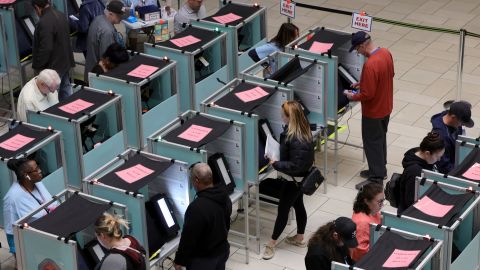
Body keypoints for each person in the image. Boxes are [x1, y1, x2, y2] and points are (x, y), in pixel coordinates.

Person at [262, 100, 314, 260]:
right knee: (298, 204)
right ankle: (299, 238)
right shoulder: (301, 129)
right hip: (299, 178)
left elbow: (295, 165)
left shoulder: (297, 137)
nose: (281, 117)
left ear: (289, 117)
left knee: (283, 211)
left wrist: (276, 163)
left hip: (294, 180)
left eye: (282, 115)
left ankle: (271, 244)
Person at [343, 31, 394, 189]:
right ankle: (380, 169)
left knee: (372, 143)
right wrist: (363, 82)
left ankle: (376, 178)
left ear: (362, 46)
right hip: (386, 106)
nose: (358, 53)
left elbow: (368, 94)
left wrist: (352, 96)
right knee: (380, 139)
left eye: (357, 50)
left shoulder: (370, 64)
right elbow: (388, 75)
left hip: (373, 111)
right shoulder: (386, 52)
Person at [174, 163, 232, 270]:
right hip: (222, 251)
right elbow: (227, 224)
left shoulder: (196, 208)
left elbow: (188, 238)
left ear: (196, 180)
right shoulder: (224, 196)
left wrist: (179, 260)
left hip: (204, 260)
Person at [3, 158, 56, 254]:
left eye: (38, 167)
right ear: (26, 175)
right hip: (36, 243)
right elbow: (11, 233)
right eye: (36, 170)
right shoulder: (12, 198)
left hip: (54, 233)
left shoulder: (37, 183)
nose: (40, 171)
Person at [31, 0, 75, 101]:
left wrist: (38, 66)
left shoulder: (44, 22)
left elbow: (46, 48)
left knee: (52, 100)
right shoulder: (61, 14)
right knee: (66, 93)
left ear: (37, 8)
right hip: (65, 63)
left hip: (52, 68)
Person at [397, 132, 445, 214]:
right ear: (427, 153)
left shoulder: (425, 157)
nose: (439, 160)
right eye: (437, 156)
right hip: (412, 214)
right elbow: (411, 200)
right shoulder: (415, 172)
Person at [85, 0, 127, 82]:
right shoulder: (107, 31)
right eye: (119, 16)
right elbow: (107, 59)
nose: (121, 18)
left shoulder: (98, 18)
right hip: (99, 76)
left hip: (91, 69)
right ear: (110, 14)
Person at [431, 100, 474, 174]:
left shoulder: (452, 119)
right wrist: (462, 173)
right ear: (453, 117)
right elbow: (444, 166)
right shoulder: (441, 137)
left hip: (457, 161)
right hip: (449, 170)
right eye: (461, 123)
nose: (462, 126)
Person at [351, 182, 384, 262]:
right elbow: (360, 253)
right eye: (379, 202)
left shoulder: (371, 210)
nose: (382, 205)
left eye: (383, 200)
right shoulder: (362, 223)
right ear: (366, 201)